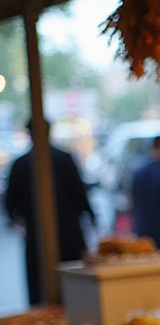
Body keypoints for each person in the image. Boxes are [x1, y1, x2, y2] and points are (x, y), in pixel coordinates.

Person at [3, 117, 95, 304]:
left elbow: (10, 203)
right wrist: (90, 217)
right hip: (68, 234)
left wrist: (18, 219)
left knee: (41, 290)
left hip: (38, 236)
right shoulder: (64, 159)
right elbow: (80, 195)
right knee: (73, 290)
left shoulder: (21, 164)